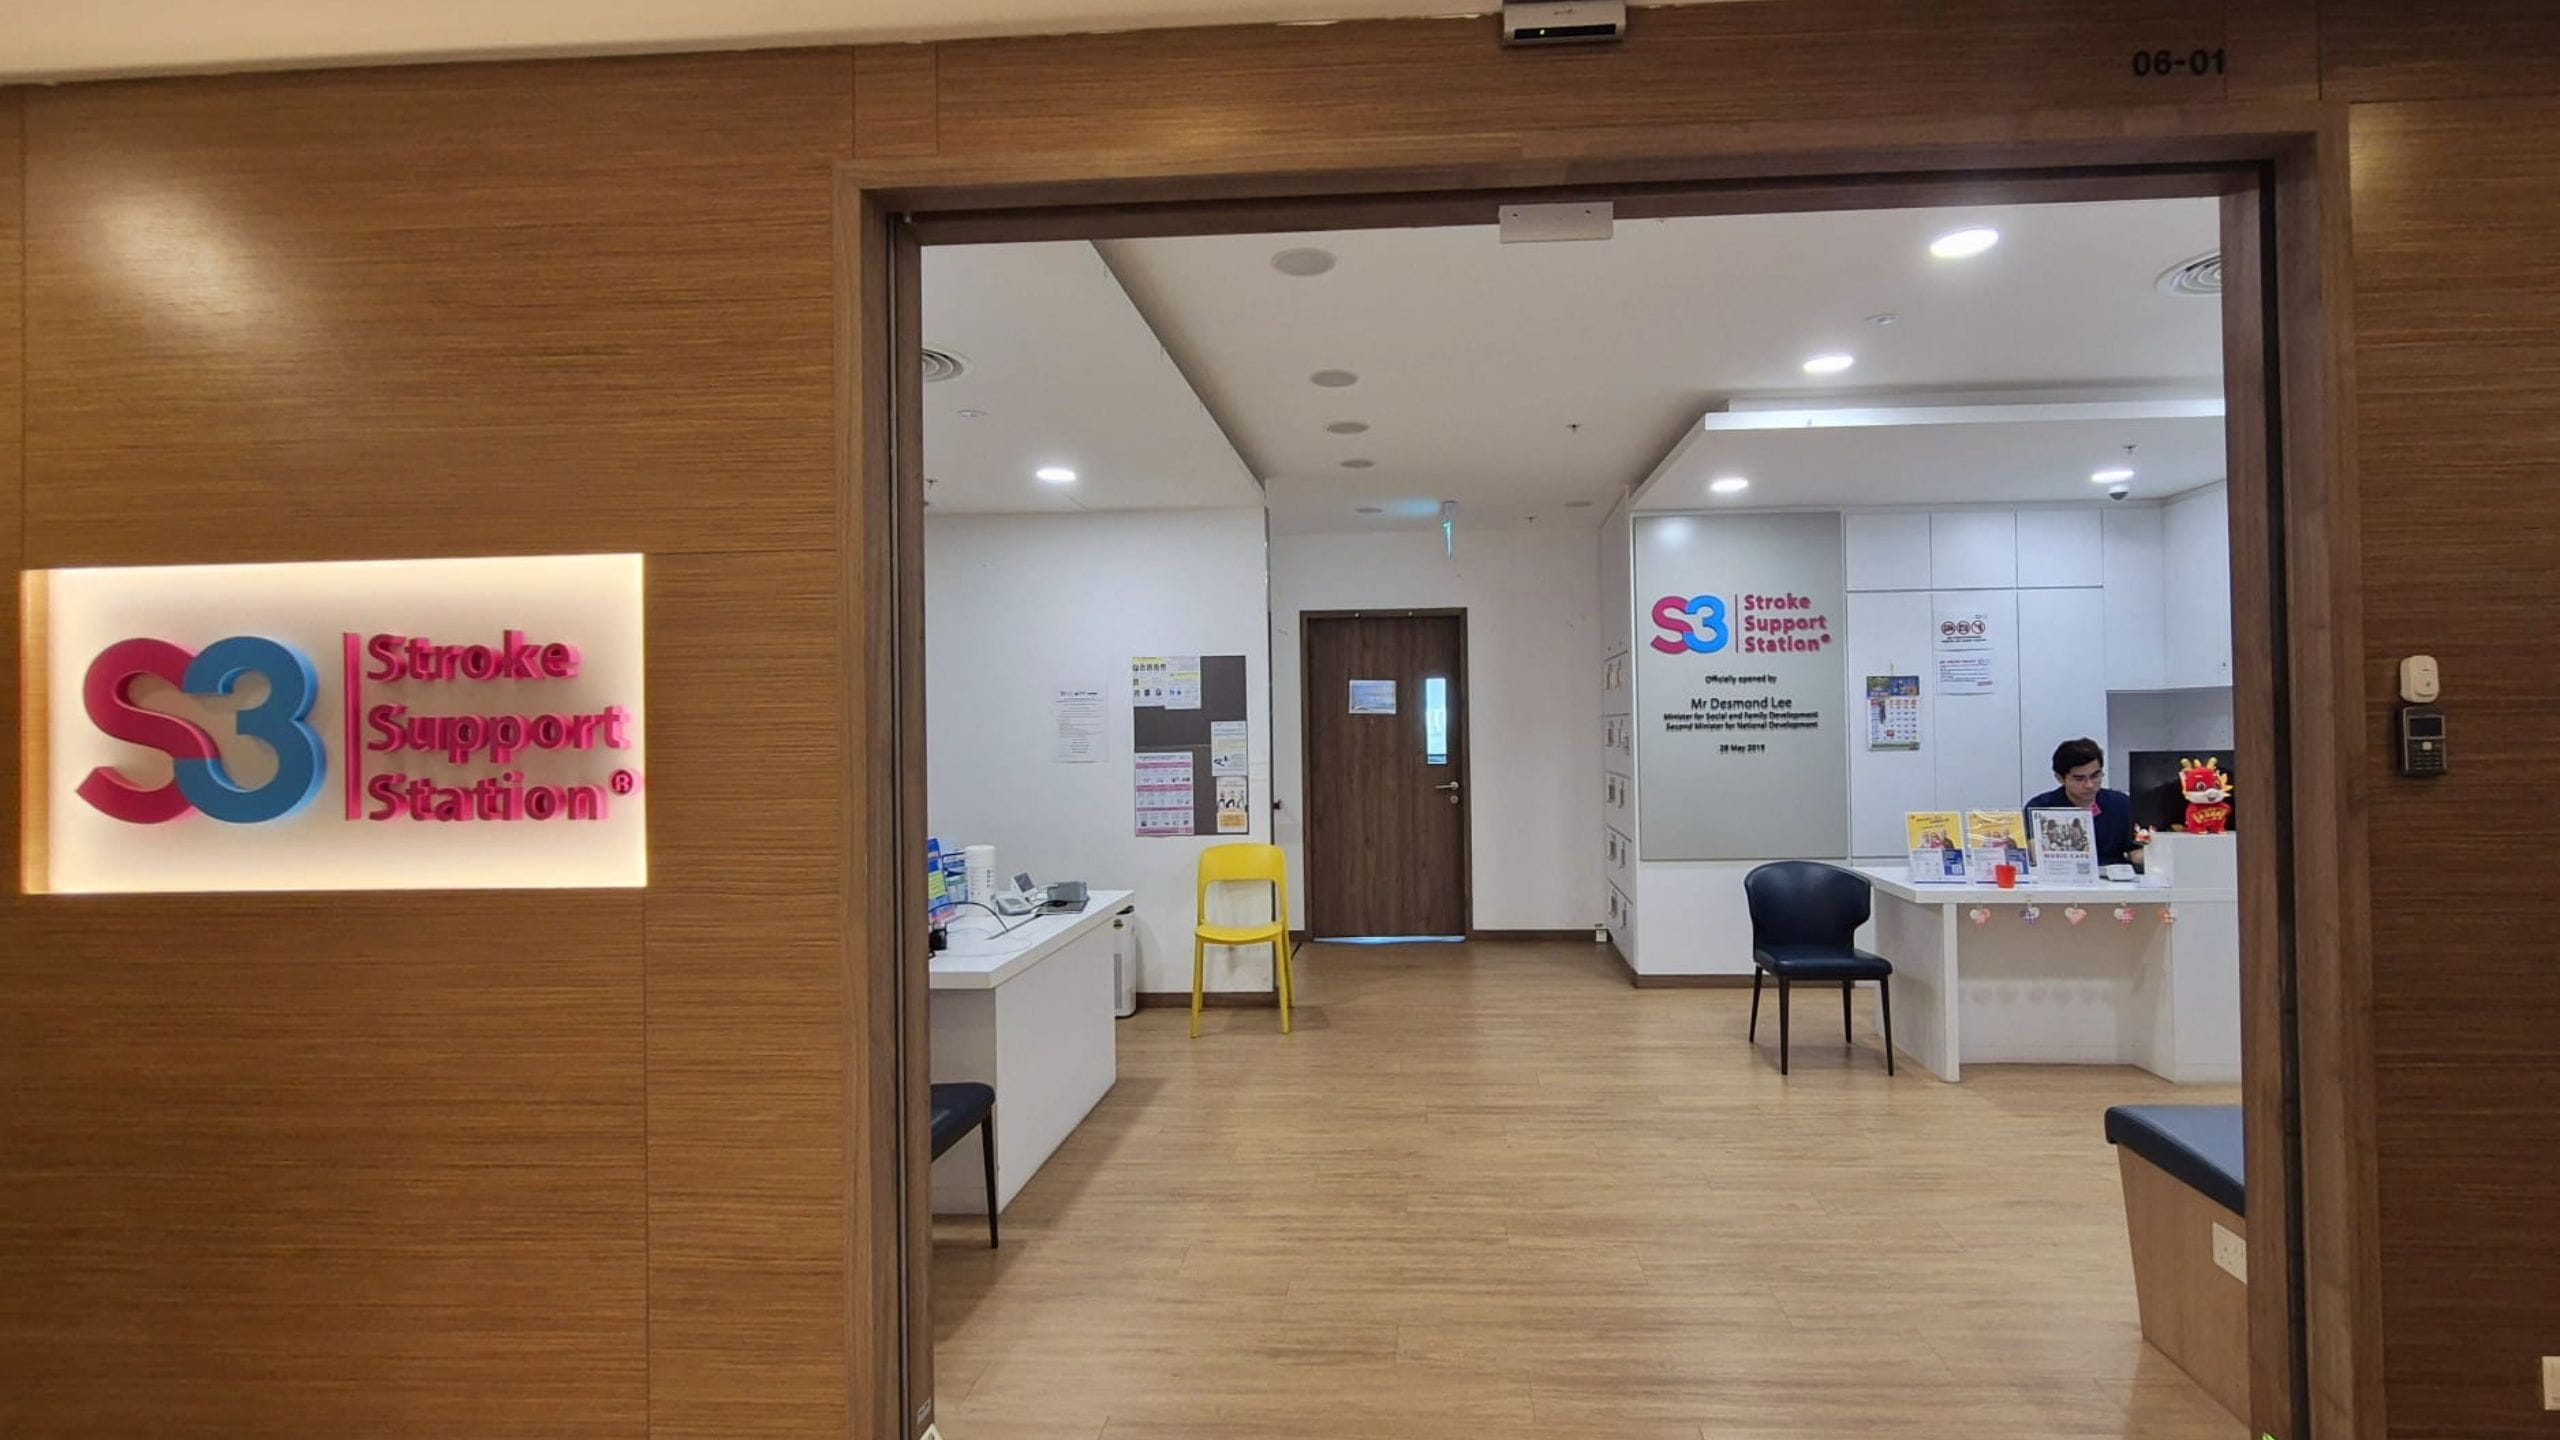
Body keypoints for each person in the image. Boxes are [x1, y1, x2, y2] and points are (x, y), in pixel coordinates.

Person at [2026, 737, 2140, 867]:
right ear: (2060, 778)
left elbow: (2135, 850)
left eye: (2095, 776)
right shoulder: (2041, 808)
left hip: (2113, 875)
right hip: (2062, 873)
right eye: (2079, 779)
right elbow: (2035, 855)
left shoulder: (2121, 803)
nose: (2089, 785)